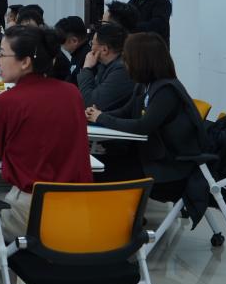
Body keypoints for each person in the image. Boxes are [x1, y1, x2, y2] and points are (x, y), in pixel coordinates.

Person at [0, 25, 93, 284]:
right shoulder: (72, 93)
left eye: (2, 54)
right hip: (81, 209)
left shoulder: (6, 103)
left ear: (25, 61)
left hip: (36, 208)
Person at [85, 33, 206, 188]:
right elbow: (126, 112)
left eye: (127, 58)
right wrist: (95, 115)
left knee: (95, 172)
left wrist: (101, 118)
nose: (125, 62)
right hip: (147, 156)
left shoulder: (166, 90)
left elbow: (143, 126)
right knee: (90, 164)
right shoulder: (144, 84)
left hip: (168, 167)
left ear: (141, 61)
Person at [77, 22, 134, 111]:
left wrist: (86, 68)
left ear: (104, 49)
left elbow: (89, 103)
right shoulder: (106, 65)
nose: (91, 48)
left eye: (92, 44)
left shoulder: (121, 70)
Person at [53, 16, 90, 85]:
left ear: (74, 41)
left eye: (62, 41)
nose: (60, 45)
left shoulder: (86, 59)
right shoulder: (77, 54)